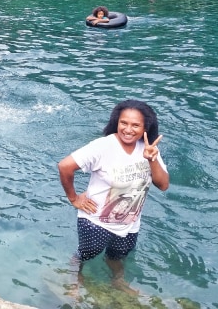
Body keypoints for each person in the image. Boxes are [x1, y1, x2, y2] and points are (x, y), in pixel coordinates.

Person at [57, 100, 169, 293]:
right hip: (96, 220)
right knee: (86, 254)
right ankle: (74, 279)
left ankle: (118, 281)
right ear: (116, 122)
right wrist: (74, 198)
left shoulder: (149, 149)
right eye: (123, 123)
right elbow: (65, 166)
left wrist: (152, 159)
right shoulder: (103, 146)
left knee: (118, 256)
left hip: (129, 222)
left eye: (135, 125)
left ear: (145, 127)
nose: (128, 129)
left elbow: (163, 185)